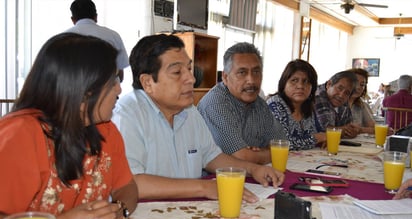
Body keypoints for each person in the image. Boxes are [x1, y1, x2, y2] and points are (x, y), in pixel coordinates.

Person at [112, 34, 284, 202]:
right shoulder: (127, 115)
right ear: (148, 82)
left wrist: (254, 169)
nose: (191, 78)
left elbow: (211, 157)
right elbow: (131, 184)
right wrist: (203, 187)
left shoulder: (189, 111)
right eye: (177, 72)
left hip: (187, 215)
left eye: (189, 68)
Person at [0, 33, 138, 219]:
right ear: (83, 94)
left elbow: (127, 187)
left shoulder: (106, 131)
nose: (119, 89)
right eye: (112, 82)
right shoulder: (20, 135)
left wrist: (118, 210)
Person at [197, 42, 286, 164]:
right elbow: (241, 157)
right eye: (242, 72)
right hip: (217, 179)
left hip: (251, 176)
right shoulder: (215, 104)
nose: (251, 80)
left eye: (256, 72)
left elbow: (282, 146)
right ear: (225, 77)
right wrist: (264, 153)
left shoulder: (259, 104)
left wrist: (256, 154)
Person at [266, 59, 325, 150]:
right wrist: (316, 139)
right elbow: (281, 142)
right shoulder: (275, 105)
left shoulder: (308, 106)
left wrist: (324, 140)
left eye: (306, 81)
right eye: (294, 80)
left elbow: (321, 133)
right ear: (284, 83)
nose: (300, 86)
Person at [66, 0, 129, 82]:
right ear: (96, 17)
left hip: (74, 91)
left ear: (72, 19)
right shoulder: (113, 35)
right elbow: (120, 74)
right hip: (109, 90)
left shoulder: (62, 38)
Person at [314, 70, 360, 138]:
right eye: (339, 88)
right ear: (329, 84)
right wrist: (343, 130)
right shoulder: (318, 96)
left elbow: (348, 126)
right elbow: (325, 130)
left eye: (347, 93)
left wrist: (352, 131)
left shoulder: (342, 99)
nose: (341, 95)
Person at [347, 68, 375, 135]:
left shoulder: (361, 104)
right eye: (355, 83)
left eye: (362, 85)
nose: (358, 87)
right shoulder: (337, 103)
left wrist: (360, 130)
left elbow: (374, 128)